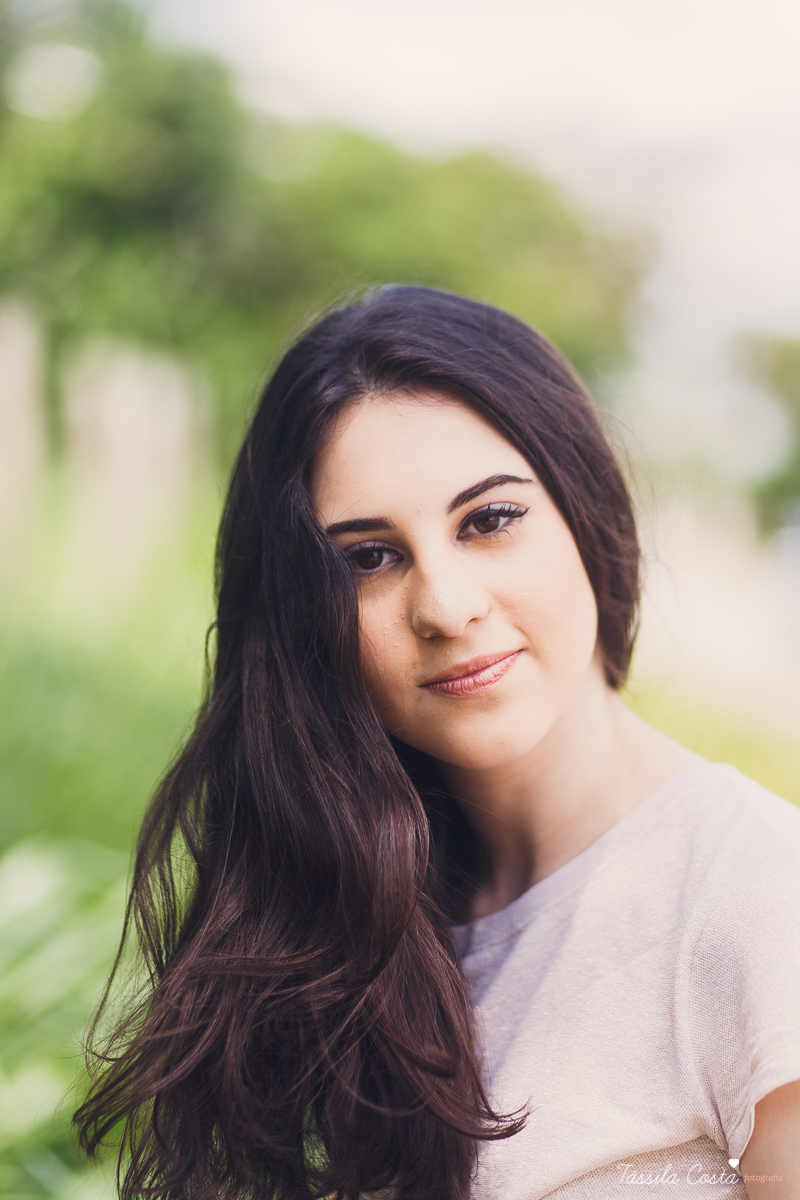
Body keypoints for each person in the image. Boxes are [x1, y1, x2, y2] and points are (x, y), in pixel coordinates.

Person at [75, 286, 800, 1200]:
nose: (447, 608)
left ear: (584, 506)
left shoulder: (761, 902)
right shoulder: (351, 914)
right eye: (367, 558)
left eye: (490, 520)